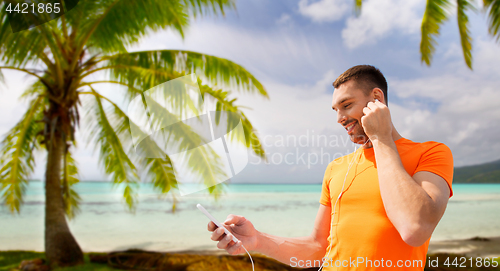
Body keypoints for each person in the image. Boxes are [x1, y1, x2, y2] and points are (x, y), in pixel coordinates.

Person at [206, 65, 454, 270]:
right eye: (336, 110)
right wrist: (257, 240)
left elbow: (415, 229)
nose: (339, 119)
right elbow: (318, 249)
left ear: (376, 99)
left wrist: (381, 138)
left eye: (346, 105)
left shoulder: (431, 153)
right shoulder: (337, 168)